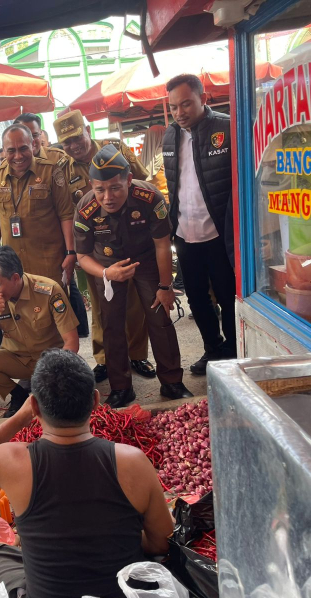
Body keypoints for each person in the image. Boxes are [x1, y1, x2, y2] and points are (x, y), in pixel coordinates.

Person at [0, 349, 174, 598]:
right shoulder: (132, 461)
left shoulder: (13, 461)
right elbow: (161, 543)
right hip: (120, 593)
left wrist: (21, 417)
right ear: (95, 401)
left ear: (35, 405)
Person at [74, 146, 193, 406]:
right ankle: (121, 388)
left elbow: (162, 243)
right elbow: (82, 257)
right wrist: (107, 272)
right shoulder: (85, 210)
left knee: (159, 315)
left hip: (146, 259)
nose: (107, 197)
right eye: (100, 189)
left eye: (115, 187)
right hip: (106, 264)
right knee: (112, 324)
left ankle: (172, 382)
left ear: (128, 180)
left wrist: (165, 286)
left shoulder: (149, 197)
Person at [54, 109, 155, 383]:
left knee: (134, 302)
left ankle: (136, 355)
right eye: (66, 143)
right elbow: (65, 212)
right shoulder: (63, 169)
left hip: (130, 235)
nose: (73, 146)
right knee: (100, 307)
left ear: (87, 129)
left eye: (76, 138)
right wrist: (73, 252)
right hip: (94, 245)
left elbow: (145, 182)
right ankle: (105, 359)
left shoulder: (116, 149)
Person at [163, 74, 236, 374]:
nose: (179, 112)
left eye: (186, 104)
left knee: (228, 296)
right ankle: (212, 349)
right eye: (173, 107)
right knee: (196, 298)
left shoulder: (226, 128)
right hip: (185, 234)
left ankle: (233, 351)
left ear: (203, 99)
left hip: (220, 234)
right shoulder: (170, 136)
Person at [0, 246, 79, 417]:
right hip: (18, 360)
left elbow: (72, 342)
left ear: (15, 278)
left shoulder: (48, 290)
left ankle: (45, 390)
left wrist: (54, 375)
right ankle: (18, 395)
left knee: (63, 410)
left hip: (50, 362)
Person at [0, 124, 79, 300]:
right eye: (11, 151)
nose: (18, 156)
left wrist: (71, 252)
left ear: (33, 144)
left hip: (49, 262)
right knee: (22, 317)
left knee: (56, 313)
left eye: (23, 149)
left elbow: (66, 214)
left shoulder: (50, 171)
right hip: (12, 267)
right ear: (3, 151)